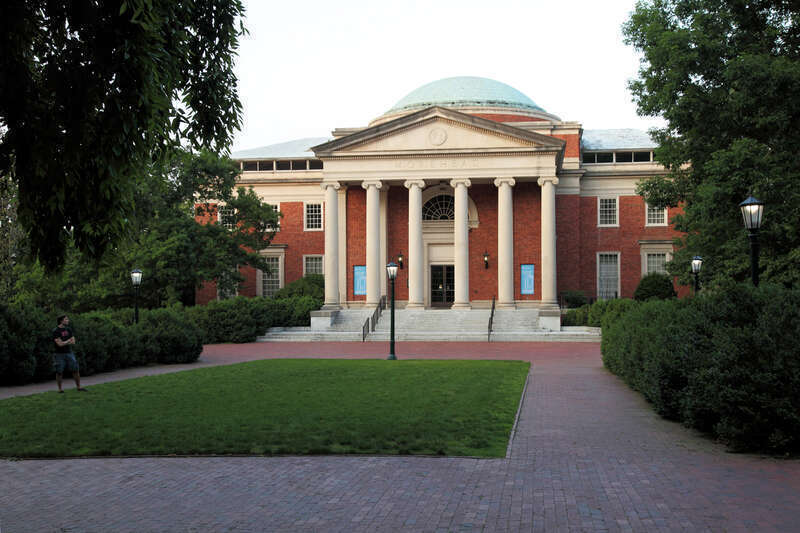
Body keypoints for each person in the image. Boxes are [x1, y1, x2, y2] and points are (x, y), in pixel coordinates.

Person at [52, 315, 87, 393]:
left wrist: (65, 342)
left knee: (75, 369)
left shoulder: (69, 329)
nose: (68, 320)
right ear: (61, 321)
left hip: (69, 353)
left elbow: (73, 341)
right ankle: (60, 389)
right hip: (59, 354)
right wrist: (68, 341)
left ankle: (79, 387)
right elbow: (59, 344)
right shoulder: (56, 331)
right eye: (66, 319)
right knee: (59, 372)